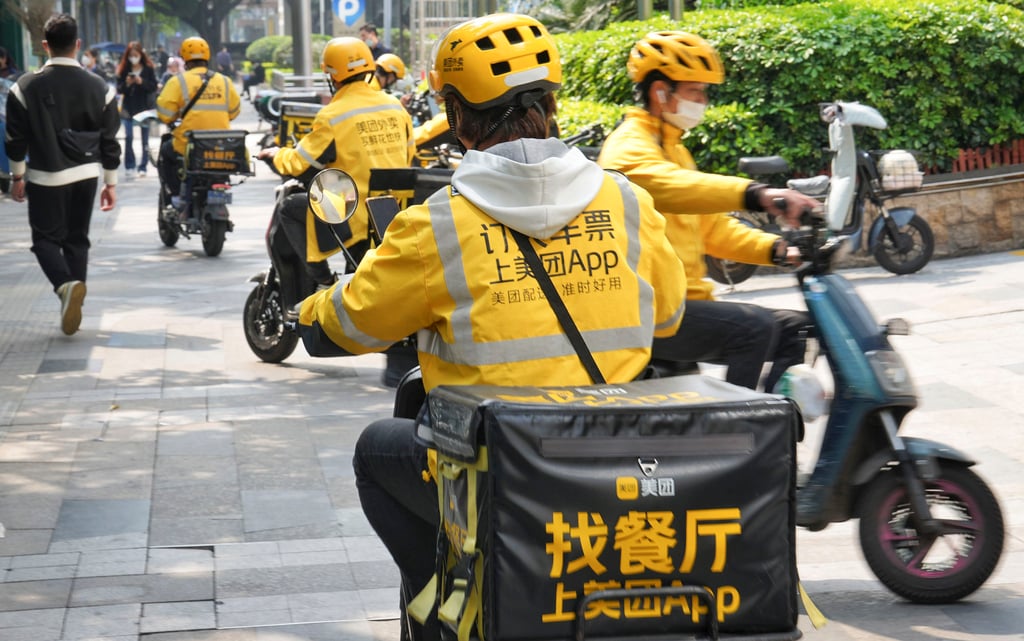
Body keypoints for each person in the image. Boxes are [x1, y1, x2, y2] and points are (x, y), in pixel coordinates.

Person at [296, 13, 686, 641]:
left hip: (497, 474)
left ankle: (449, 602)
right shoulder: (628, 201)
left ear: (453, 114)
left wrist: (310, 309)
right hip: (616, 462)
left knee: (377, 448)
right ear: (552, 103)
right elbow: (667, 314)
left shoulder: (435, 225)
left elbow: (350, 320)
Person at [598, 31, 820, 392]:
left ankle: (777, 425)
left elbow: (712, 230)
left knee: (800, 328)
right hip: (648, 311)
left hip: (685, 305)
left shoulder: (674, 149)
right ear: (659, 93)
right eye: (694, 92)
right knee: (753, 328)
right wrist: (757, 195)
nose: (702, 101)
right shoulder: (628, 148)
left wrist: (777, 250)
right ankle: (745, 431)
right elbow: (673, 186)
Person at [257, 37, 414, 289]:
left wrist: (276, 154)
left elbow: (299, 162)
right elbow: (408, 156)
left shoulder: (333, 114)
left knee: (289, 207)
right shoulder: (395, 106)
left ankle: (324, 281)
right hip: (392, 211)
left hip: (353, 212)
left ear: (333, 76)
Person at [5, 13, 120, 335]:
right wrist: (110, 183)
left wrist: (17, 177)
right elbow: (110, 141)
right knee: (77, 240)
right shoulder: (101, 87)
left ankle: (65, 286)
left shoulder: (24, 87)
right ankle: (73, 295)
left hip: (45, 177)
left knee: (44, 241)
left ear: (45, 46)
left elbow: (15, 139)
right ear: (78, 45)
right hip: (86, 175)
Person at [155, 36, 241, 209]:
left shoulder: (177, 81)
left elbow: (165, 114)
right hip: (221, 144)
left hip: (189, 144)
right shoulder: (224, 81)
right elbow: (234, 111)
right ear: (207, 56)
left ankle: (177, 195)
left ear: (184, 58)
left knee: (165, 153)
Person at [115, 41, 158, 178]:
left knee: (145, 139)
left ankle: (143, 166)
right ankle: (129, 164)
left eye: (135, 55)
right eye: (131, 55)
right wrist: (127, 83)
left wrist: (142, 82)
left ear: (141, 54)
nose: (133, 57)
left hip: (144, 107)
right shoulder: (124, 69)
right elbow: (119, 89)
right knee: (129, 136)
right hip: (128, 107)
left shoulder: (148, 69)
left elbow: (153, 86)